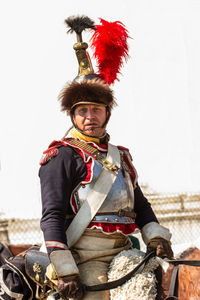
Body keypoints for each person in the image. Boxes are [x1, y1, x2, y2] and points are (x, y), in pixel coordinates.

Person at [0, 15, 173, 300]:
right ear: (73, 115)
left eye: (96, 109)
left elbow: (140, 206)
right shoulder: (62, 155)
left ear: (107, 113)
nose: (90, 117)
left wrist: (155, 237)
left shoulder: (122, 158)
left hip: (125, 253)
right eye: (83, 111)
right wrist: (66, 269)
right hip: (82, 258)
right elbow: (52, 216)